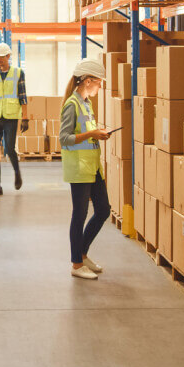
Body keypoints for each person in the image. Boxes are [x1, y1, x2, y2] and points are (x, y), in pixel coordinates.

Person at [60, 58, 113, 280]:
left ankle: (82, 253)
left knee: (103, 210)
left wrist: (98, 133)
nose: (100, 87)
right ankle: (76, 263)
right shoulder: (72, 105)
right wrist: (92, 134)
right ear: (88, 80)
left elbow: (87, 133)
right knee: (79, 215)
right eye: (99, 83)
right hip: (79, 168)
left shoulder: (86, 103)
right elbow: (64, 139)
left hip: (92, 167)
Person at [0, 42, 28, 196]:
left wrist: (25, 118)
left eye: (2, 57)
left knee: (9, 148)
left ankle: (17, 172)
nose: (0, 60)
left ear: (8, 56)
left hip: (10, 116)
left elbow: (23, 96)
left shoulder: (18, 72)